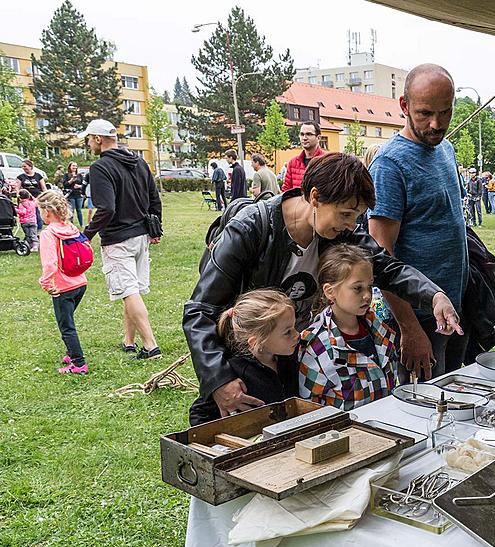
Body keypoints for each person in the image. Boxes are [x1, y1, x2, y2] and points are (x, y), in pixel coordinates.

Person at [185, 152, 461, 422]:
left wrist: (434, 295)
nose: (351, 226)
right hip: (245, 369)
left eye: (357, 217)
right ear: (315, 197)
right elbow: (200, 310)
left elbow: (387, 267)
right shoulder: (249, 229)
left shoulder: (339, 232)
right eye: (345, 214)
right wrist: (219, 379)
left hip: (290, 358)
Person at [368, 63, 469, 383]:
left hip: (452, 309)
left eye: (446, 112)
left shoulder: (446, 148)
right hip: (417, 318)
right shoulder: (389, 164)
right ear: (404, 106)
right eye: (425, 113)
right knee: (426, 413)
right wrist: (410, 330)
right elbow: (381, 258)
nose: (436, 124)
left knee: (455, 399)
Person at [79, 119, 163, 360]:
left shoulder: (100, 168)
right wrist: (155, 229)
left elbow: (106, 209)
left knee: (128, 291)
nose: (87, 143)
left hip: (118, 239)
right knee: (132, 289)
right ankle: (129, 340)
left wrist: (87, 235)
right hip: (141, 237)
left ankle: (150, 345)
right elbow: (154, 199)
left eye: (88, 138)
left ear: (98, 139)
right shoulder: (138, 161)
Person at [298, 244, 398, 410]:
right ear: (330, 291)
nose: (367, 295)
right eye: (357, 288)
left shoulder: (379, 329)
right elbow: (309, 409)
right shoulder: (315, 347)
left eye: (370, 286)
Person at [188, 289, 300, 425]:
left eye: (294, 327)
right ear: (256, 342)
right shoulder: (235, 374)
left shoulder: (289, 360)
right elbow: (199, 414)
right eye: (287, 332)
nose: (297, 335)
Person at [36, 190, 89, 374]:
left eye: (40, 210)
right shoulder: (71, 228)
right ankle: (71, 351)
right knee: (68, 318)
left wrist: (45, 283)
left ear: (47, 212)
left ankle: (79, 363)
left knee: (66, 326)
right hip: (80, 283)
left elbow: (50, 263)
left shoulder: (48, 233)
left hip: (62, 286)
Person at [282, 121, 326, 191]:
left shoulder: (327, 161)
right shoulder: (293, 163)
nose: (304, 138)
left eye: (309, 134)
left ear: (318, 138)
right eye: (302, 134)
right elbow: (286, 190)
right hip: (297, 201)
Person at [18, 159, 47, 231]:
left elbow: (43, 187)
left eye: (25, 166)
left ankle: (39, 230)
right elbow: (17, 189)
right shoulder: (20, 177)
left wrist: (46, 196)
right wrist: (19, 198)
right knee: (28, 215)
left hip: (37, 197)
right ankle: (29, 230)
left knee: (37, 213)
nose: (24, 168)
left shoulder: (38, 176)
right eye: (22, 167)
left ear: (30, 166)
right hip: (26, 199)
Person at [62, 162, 85, 228]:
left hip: (78, 194)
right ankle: (70, 224)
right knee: (71, 210)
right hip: (70, 194)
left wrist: (79, 186)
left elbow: (83, 184)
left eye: (76, 166)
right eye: (73, 166)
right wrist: (72, 180)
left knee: (79, 210)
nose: (75, 167)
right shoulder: (66, 175)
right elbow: (65, 184)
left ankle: (81, 224)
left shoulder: (79, 175)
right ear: (70, 167)